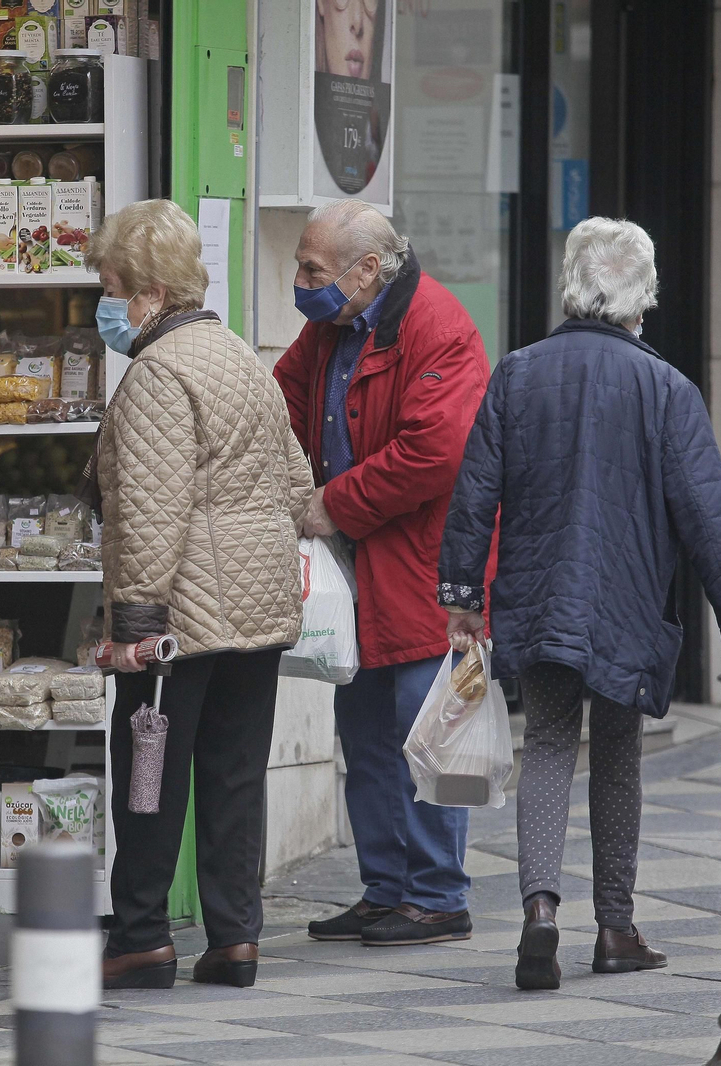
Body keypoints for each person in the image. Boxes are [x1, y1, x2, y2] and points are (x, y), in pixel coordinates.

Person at [438, 217, 721, 991]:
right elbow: (708, 516)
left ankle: (540, 912)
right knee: (617, 756)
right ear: (639, 298)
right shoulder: (666, 388)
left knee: (547, 743)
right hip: (626, 599)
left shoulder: (517, 373)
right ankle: (615, 927)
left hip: (539, 592)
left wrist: (459, 597)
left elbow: (474, 492)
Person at [83, 199, 314, 991]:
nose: (104, 301)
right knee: (233, 775)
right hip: (258, 608)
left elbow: (149, 509)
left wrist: (136, 624)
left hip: (178, 622)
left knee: (147, 776)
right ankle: (234, 938)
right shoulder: (240, 355)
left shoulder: (158, 372)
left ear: (147, 291)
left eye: (110, 285)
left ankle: (143, 936)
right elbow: (296, 482)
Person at [274, 198, 490, 947]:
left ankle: (438, 895)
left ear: (368, 270)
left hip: (420, 565)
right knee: (364, 734)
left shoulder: (438, 326)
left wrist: (335, 502)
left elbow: (437, 453)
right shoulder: (332, 325)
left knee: (428, 734)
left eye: (312, 269)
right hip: (360, 563)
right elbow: (286, 396)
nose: (299, 282)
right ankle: (386, 889)